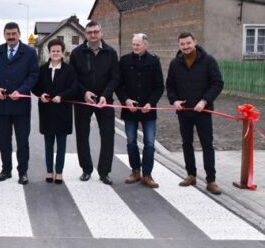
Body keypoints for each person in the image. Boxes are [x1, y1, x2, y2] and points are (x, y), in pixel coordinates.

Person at [166, 32, 224, 195]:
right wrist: (174, 101)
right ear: (179, 46)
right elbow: (170, 87)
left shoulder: (208, 61)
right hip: (184, 112)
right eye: (182, 44)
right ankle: (191, 175)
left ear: (195, 42)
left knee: (207, 145)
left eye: (188, 43)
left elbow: (217, 83)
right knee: (186, 143)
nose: (185, 47)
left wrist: (204, 100)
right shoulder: (175, 63)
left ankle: (211, 180)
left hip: (203, 111)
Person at [0, 22, 39, 185]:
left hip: (21, 105)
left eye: (13, 34)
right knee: (4, 140)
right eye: (8, 34)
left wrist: (22, 91)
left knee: (22, 141)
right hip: (1, 105)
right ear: (4, 35)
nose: (11, 37)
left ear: (19, 34)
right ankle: (6, 170)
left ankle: (23, 172)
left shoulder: (29, 52)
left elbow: (34, 75)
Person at [69, 21, 120, 185]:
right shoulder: (76, 53)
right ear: (85, 34)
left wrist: (105, 95)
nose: (93, 35)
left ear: (101, 33)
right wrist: (84, 93)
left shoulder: (111, 52)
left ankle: (104, 172)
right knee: (82, 135)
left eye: (96, 32)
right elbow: (73, 78)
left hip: (105, 101)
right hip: (83, 100)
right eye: (90, 32)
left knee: (108, 136)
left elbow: (115, 77)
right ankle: (86, 169)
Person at [116, 34, 164, 188]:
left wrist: (151, 102)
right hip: (130, 109)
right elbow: (119, 85)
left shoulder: (154, 61)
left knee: (149, 143)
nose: (135, 47)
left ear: (146, 44)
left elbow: (159, 86)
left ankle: (147, 175)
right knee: (131, 142)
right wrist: (126, 100)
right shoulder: (124, 61)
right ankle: (135, 171)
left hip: (148, 110)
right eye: (133, 44)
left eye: (138, 44)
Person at [31, 38, 76, 184]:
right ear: (48, 52)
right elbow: (35, 87)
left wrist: (62, 96)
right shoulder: (42, 69)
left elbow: (74, 88)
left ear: (63, 53)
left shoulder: (69, 70)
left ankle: (59, 172)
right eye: (53, 51)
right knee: (48, 143)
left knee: (61, 144)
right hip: (47, 111)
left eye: (58, 51)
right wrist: (41, 94)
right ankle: (49, 171)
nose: (55, 53)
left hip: (63, 111)